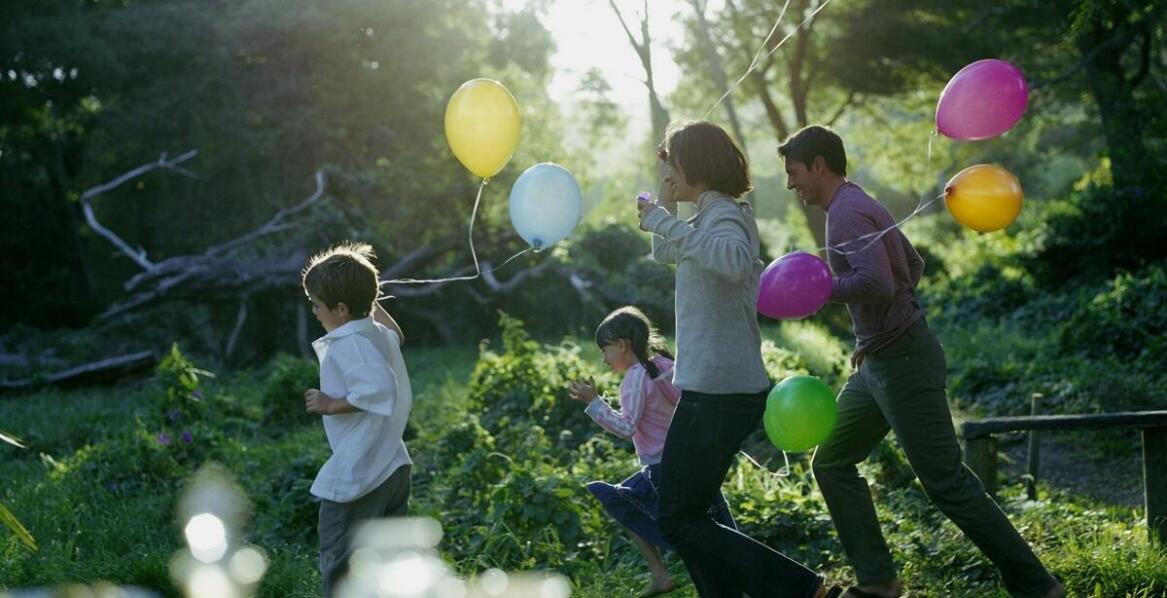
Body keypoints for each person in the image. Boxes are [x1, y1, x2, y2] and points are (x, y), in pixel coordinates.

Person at [777, 125, 1064, 598]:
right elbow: (912, 265)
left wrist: (820, 288)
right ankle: (878, 581)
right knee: (830, 461)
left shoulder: (846, 213)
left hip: (903, 360)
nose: (791, 183)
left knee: (946, 482)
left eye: (794, 172)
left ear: (818, 166)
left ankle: (1038, 587)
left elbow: (879, 283)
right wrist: (876, 329)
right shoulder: (857, 204)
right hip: (878, 361)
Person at [637, 119, 838, 598]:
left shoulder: (725, 215)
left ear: (697, 165)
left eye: (675, 164)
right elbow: (665, 249)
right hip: (714, 389)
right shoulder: (707, 217)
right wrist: (664, 193)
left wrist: (663, 217)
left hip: (718, 393)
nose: (671, 173)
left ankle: (803, 588)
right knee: (696, 515)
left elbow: (729, 260)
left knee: (677, 518)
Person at [569, 306, 737, 598]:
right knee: (717, 525)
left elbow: (626, 427)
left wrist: (594, 403)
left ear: (622, 345)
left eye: (605, 350)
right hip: (692, 460)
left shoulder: (635, 379)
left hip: (663, 469)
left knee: (639, 511)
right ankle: (671, 576)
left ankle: (698, 581)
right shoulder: (664, 365)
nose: (604, 359)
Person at [301, 242, 414, 598]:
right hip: (393, 465)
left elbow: (379, 388)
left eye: (317, 305)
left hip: (361, 474)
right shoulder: (374, 333)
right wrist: (370, 299)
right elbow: (397, 335)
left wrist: (330, 404)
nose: (315, 311)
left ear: (341, 309)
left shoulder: (349, 342)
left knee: (340, 563)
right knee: (389, 562)